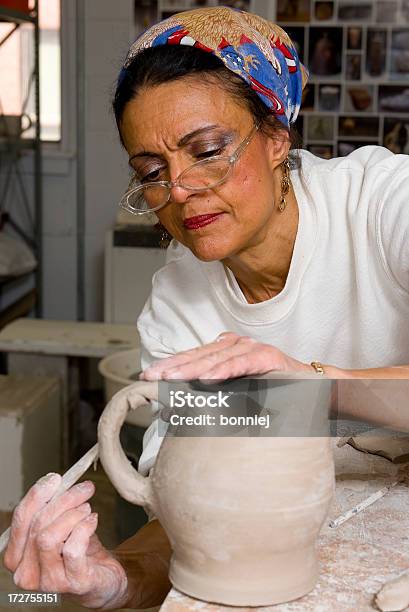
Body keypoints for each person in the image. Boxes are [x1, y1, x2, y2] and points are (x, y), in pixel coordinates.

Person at [3, 6, 409, 610]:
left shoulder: (383, 204)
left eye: (208, 150)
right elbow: (193, 522)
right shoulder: (179, 310)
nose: (181, 189)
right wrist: (112, 583)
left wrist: (311, 386)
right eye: (152, 171)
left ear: (276, 137)